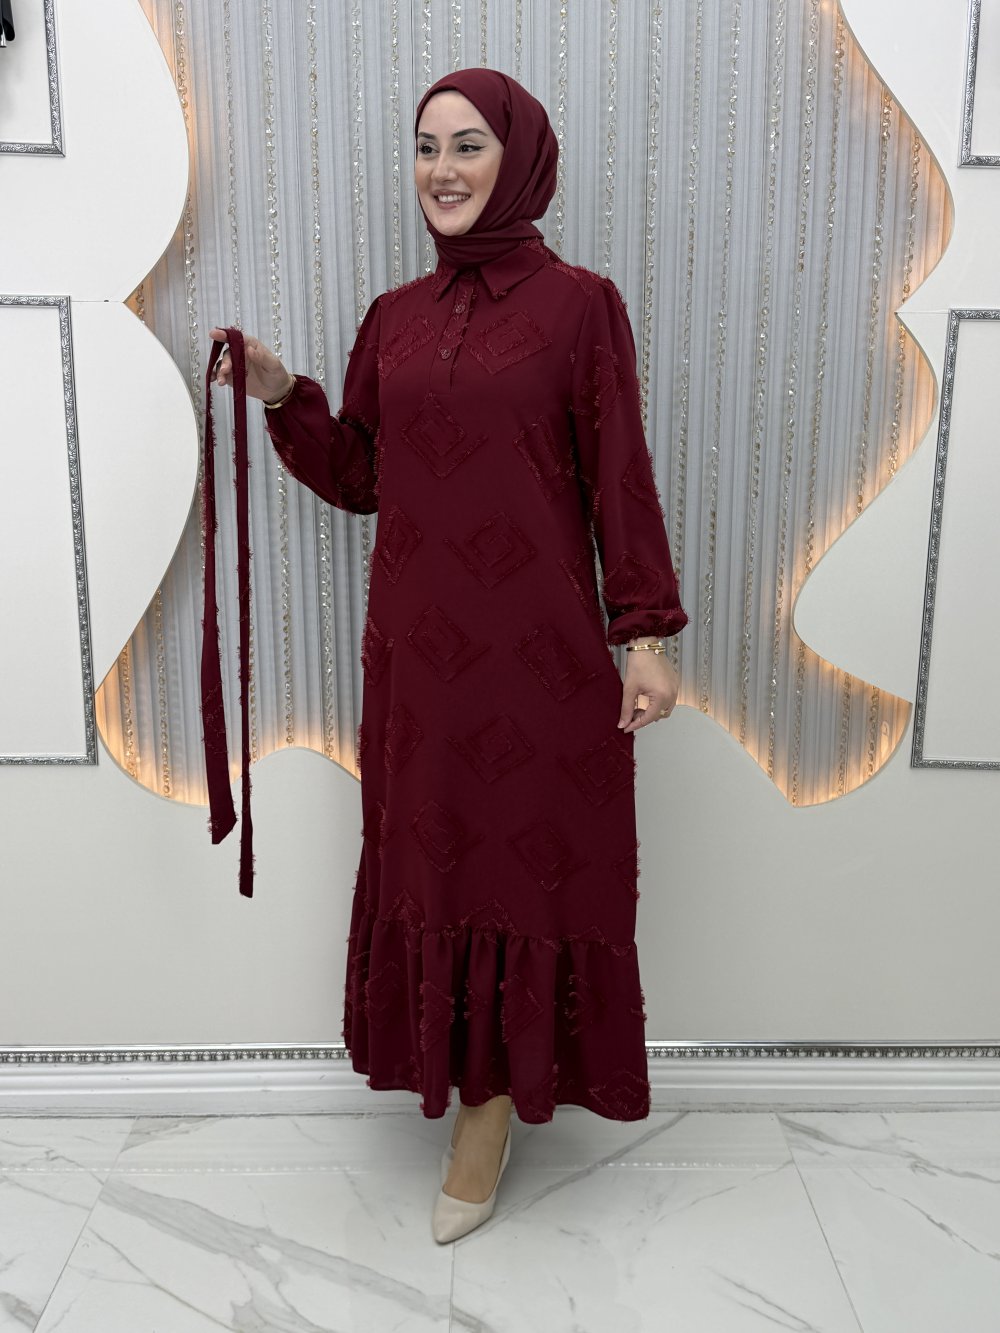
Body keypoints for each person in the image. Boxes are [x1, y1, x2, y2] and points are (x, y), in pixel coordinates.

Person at [210, 67, 687, 1244]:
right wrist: (281, 392)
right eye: (425, 147)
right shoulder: (395, 317)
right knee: (435, 865)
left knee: (523, 869)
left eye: (467, 145)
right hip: (418, 665)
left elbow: (619, 474)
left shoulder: (580, 307)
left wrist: (643, 631)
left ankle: (491, 1107)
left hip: (540, 659)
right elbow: (362, 476)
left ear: (519, 158)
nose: (441, 170)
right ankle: (464, 1080)